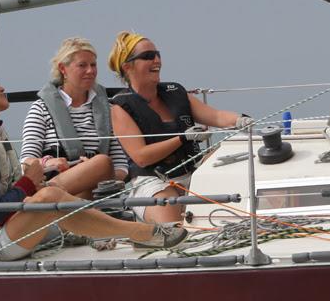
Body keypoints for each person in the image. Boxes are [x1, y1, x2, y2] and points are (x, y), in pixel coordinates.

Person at [0, 70, 187, 261]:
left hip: (9, 229)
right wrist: (28, 183)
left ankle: (125, 230)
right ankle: (142, 232)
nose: (2, 88)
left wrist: (30, 185)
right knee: (50, 196)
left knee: (55, 196)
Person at [108, 32, 253, 225]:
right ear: (127, 66)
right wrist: (183, 138)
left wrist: (240, 119)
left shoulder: (175, 92)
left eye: (157, 54)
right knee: (171, 223)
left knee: (239, 153)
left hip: (195, 172)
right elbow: (141, 156)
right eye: (148, 56)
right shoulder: (121, 107)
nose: (157, 60)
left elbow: (216, 116)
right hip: (154, 182)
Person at [21, 37, 129, 198]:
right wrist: (49, 162)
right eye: (82, 65)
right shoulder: (41, 109)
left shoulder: (109, 110)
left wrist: (95, 175)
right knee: (101, 162)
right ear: (63, 69)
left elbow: (121, 167)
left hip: (95, 192)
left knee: (101, 164)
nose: (90, 71)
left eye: (93, 65)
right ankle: (46, 195)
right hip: (55, 183)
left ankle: (46, 199)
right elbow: (26, 162)